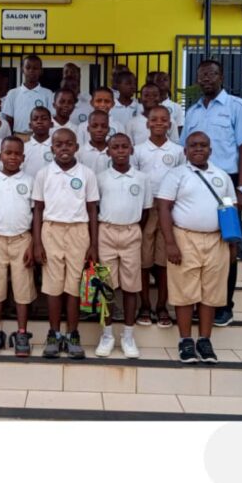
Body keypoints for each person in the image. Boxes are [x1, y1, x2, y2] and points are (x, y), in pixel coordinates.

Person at [182, 59, 242, 327]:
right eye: (202, 76)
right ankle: (197, 302)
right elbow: (184, 150)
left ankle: (225, 305)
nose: (207, 80)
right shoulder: (192, 112)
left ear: (221, 76)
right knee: (196, 243)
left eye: (212, 75)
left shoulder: (237, 106)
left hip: (227, 183)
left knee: (228, 244)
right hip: (195, 181)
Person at [157, 131, 236, 363]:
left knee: (210, 293)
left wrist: (232, 244)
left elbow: (230, 211)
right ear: (185, 151)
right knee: (185, 292)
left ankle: (204, 340)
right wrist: (170, 242)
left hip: (216, 240)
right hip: (185, 238)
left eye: (203, 145)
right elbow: (163, 208)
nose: (198, 149)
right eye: (193, 145)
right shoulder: (176, 175)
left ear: (210, 150)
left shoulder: (222, 176)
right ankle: (185, 341)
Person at [32, 128, 99, 359]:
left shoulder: (86, 174)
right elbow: (38, 210)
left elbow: (92, 209)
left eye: (68, 144)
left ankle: (73, 334)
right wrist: (37, 244)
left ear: (76, 147)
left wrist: (93, 245)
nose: (64, 148)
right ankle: (53, 334)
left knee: (73, 286)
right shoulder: (44, 174)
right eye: (58, 144)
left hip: (79, 232)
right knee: (53, 286)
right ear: (52, 149)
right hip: (51, 230)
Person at [94, 134, 152, 358]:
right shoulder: (100, 177)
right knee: (106, 286)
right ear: (108, 151)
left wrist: (133, 228)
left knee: (131, 286)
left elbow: (146, 210)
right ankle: (107, 334)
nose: (120, 151)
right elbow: (95, 207)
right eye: (115, 147)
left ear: (131, 150)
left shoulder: (141, 178)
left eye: (124, 147)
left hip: (131, 231)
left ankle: (128, 336)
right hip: (106, 231)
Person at [0, 136, 36, 356]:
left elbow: (35, 213)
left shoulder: (29, 181)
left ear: (23, 157)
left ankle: (22, 332)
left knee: (22, 289)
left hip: (23, 239)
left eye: (17, 154)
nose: (12, 157)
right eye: (8, 153)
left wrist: (32, 243)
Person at [134, 105, 185, 327]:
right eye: (154, 119)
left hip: (167, 209)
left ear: (170, 124)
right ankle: (145, 305)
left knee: (164, 262)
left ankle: (162, 306)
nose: (158, 123)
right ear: (147, 123)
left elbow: (182, 180)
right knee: (144, 261)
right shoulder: (138, 150)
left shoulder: (177, 151)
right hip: (144, 208)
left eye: (163, 120)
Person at [3, 54, 53, 135]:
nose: (31, 71)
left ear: (41, 71)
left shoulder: (48, 94)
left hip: (41, 137)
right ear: (23, 69)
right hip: (19, 136)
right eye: (28, 67)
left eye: (35, 68)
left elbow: (51, 119)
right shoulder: (13, 93)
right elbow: (9, 119)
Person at [147, 70, 185, 136]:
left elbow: (179, 129)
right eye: (158, 80)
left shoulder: (176, 107)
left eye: (165, 79)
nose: (162, 82)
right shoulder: (147, 106)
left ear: (169, 83)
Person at [21, 106, 54, 178]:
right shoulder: (23, 148)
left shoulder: (56, 147)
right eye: (35, 119)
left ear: (51, 124)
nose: (39, 121)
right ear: (30, 125)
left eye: (44, 119)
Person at [77, 110, 111, 174]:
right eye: (94, 126)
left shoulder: (114, 151)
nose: (99, 130)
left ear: (108, 129)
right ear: (88, 129)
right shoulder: (80, 153)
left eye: (103, 126)